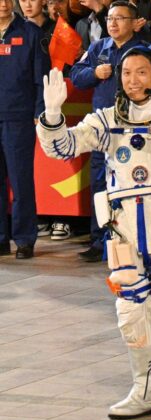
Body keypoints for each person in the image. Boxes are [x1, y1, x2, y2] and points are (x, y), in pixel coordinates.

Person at [36, 47, 151, 420]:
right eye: (126, 73)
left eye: (141, 72)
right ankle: (147, 389)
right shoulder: (107, 120)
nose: (133, 81)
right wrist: (53, 115)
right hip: (124, 232)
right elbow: (63, 147)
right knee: (130, 310)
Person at [70, 0, 146, 262]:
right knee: (100, 185)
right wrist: (94, 73)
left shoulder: (143, 51)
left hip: (133, 130)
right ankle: (99, 241)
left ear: (134, 23)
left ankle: (133, 241)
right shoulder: (98, 47)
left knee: (133, 185)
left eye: (120, 18)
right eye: (110, 18)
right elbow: (76, 76)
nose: (113, 23)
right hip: (102, 132)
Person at [0, 0, 50, 259]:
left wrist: (39, 112)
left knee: (21, 181)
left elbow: (42, 77)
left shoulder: (31, 33)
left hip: (18, 117)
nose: (4, 4)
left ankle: (24, 239)